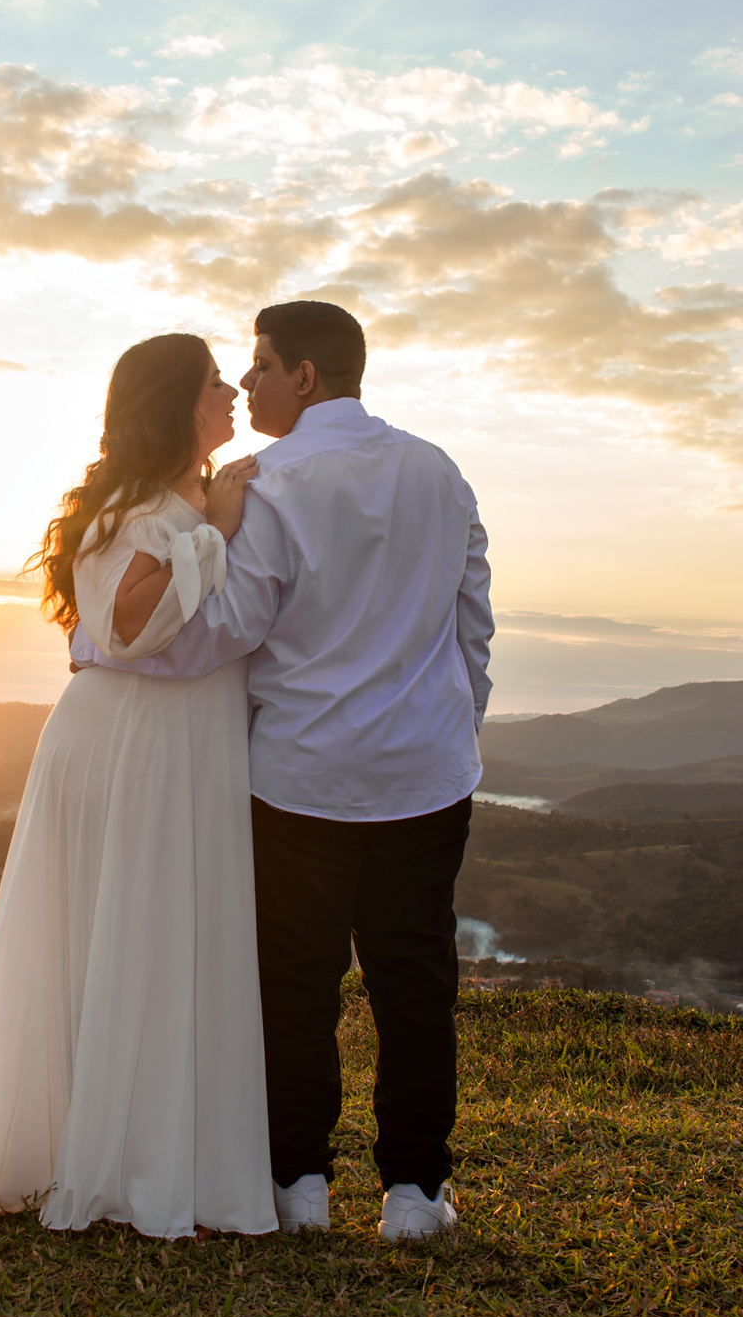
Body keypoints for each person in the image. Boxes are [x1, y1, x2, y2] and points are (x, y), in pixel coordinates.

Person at [71, 301, 494, 1242]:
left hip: (300, 776)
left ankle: (300, 1185)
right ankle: (416, 1194)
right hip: (426, 775)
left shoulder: (270, 483)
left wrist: (111, 655)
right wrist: (455, 732)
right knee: (417, 983)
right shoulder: (439, 471)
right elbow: (473, 625)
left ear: (306, 376)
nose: (249, 382)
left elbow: (229, 625)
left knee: (296, 985)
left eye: (261, 366)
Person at [0, 333, 278, 1241]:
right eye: (215, 381)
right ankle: (117, 1166)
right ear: (176, 402)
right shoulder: (146, 506)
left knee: (145, 933)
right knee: (132, 928)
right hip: (137, 740)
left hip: (162, 736)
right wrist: (213, 524)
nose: (229, 393)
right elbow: (131, 625)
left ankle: (137, 1151)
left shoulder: (153, 500)